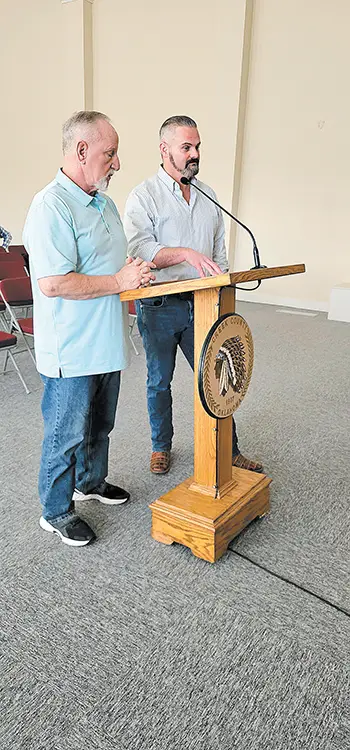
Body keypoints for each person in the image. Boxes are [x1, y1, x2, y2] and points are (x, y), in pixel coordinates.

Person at [23, 111, 155, 547]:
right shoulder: (51, 206)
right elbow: (54, 282)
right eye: (110, 154)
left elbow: (108, 265)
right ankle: (56, 510)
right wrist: (118, 282)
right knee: (66, 433)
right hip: (72, 349)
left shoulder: (104, 202)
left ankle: (91, 482)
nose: (117, 164)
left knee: (100, 426)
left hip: (107, 341)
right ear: (82, 151)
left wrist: (132, 271)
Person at [124, 115, 263, 476]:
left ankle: (229, 449)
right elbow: (142, 248)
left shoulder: (208, 195)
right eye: (186, 147)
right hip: (159, 306)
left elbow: (218, 253)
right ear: (164, 149)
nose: (194, 154)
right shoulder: (144, 196)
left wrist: (223, 282)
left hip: (203, 304)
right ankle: (161, 446)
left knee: (218, 379)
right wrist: (185, 253)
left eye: (197, 146)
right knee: (159, 381)